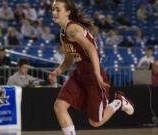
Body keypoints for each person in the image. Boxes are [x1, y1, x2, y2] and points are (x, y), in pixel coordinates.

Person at [49, 0, 135, 135]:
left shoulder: (72, 29)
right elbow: (69, 59)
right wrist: (57, 71)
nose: (54, 12)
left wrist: (97, 73)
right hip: (79, 74)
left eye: (57, 9)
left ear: (68, 12)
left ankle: (118, 101)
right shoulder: (63, 33)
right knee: (59, 106)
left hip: (93, 76)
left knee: (95, 122)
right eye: (53, 9)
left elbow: (91, 49)